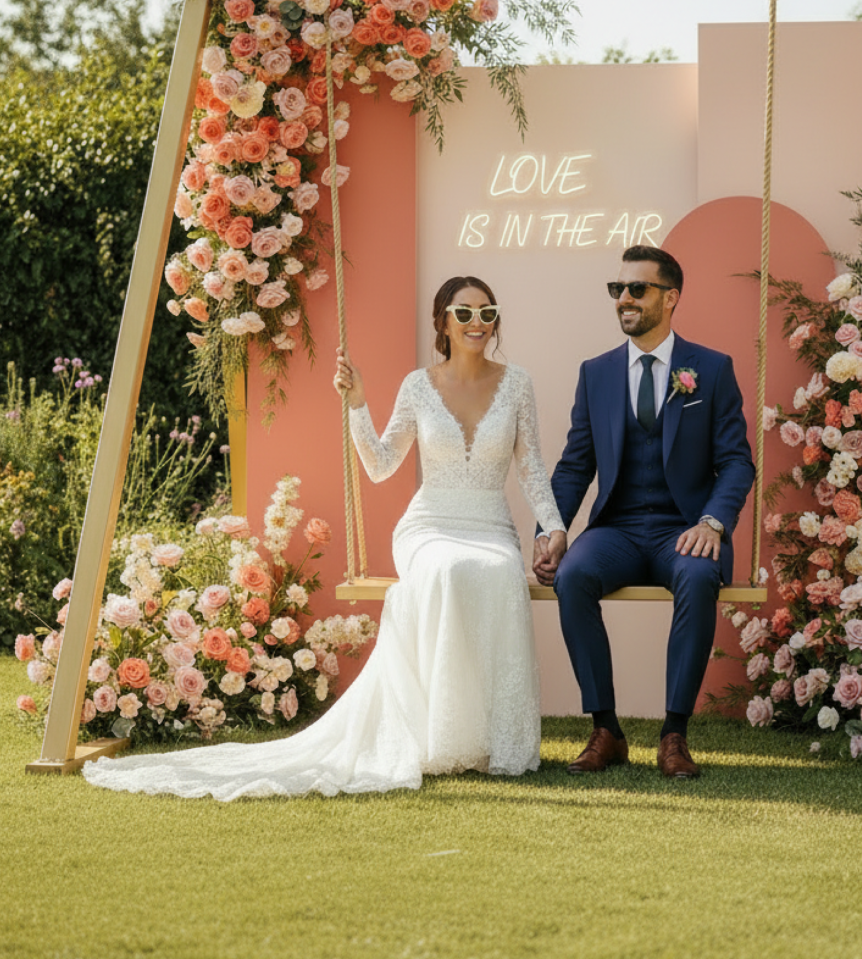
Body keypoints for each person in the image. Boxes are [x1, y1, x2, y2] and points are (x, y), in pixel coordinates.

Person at [83, 276, 565, 799]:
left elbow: (533, 469)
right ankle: (445, 737)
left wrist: (556, 528)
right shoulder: (417, 386)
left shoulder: (517, 384)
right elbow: (381, 466)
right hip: (431, 526)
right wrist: (358, 403)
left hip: (491, 525)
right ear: (442, 321)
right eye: (464, 312)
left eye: (486, 312)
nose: (477, 323)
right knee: (448, 569)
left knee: (496, 572)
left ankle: (496, 739)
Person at [533, 246, 754, 779]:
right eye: (618, 289)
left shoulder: (712, 369)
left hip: (686, 529)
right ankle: (606, 730)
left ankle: (674, 734)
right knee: (576, 574)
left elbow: (737, 462)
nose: (624, 299)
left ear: (670, 297)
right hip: (619, 530)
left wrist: (713, 523)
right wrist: (552, 530)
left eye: (637, 289)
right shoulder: (597, 373)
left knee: (700, 577)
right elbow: (574, 466)